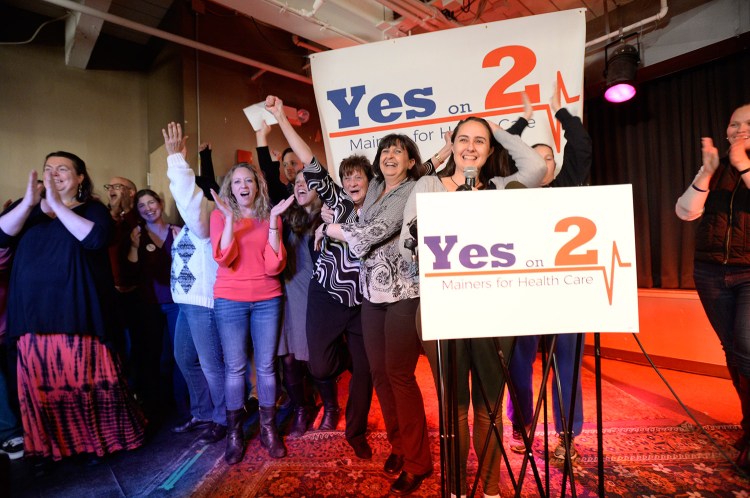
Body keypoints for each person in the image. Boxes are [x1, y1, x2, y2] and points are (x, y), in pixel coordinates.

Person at [400, 116, 546, 498]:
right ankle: (456, 489)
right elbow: (406, 244)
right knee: (454, 408)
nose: (470, 147)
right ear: (451, 142)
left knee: (489, 407)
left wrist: (495, 130)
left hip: (491, 312)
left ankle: (491, 490)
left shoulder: (500, 188)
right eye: (463, 139)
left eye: (479, 142)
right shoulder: (428, 185)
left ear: (490, 150)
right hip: (440, 308)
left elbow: (537, 167)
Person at [0, 151, 146, 461]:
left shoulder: (93, 209)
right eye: (48, 168)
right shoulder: (25, 209)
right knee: (43, 389)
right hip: (32, 316)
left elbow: (95, 239)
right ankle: (53, 448)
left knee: (84, 384)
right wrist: (28, 204)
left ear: (80, 178)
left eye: (63, 169)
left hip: (77, 313)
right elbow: (1, 236)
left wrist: (57, 206)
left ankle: (94, 443)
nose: (54, 173)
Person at [315, 132, 433, 496]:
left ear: (410, 161)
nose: (390, 154)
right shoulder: (375, 188)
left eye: (399, 150)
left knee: (399, 376)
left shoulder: (410, 190)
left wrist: (329, 228)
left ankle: (418, 462)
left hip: (403, 294)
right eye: (385, 150)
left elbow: (368, 236)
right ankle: (399, 445)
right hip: (371, 295)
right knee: (380, 374)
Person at [505, 88, 593, 462]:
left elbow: (583, 147)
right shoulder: (512, 192)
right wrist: (522, 121)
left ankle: (567, 435)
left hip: (565, 294)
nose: (541, 164)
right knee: (518, 363)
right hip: (523, 294)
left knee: (567, 364)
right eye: (533, 159)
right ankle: (521, 426)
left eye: (548, 159)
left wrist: (561, 113)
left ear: (556, 167)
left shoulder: (566, 185)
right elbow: (500, 148)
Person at [676, 103, 750, 472]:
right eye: (734, 124)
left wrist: (744, 165)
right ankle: (747, 422)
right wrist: (705, 174)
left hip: (749, 271)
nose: (740, 129)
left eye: (748, 125)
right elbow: (685, 212)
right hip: (709, 272)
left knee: (748, 346)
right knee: (733, 350)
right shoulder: (714, 168)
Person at [210, 162, 290, 463]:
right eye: (237, 181)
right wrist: (230, 220)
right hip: (230, 299)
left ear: (257, 186)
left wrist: (272, 223)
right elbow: (223, 258)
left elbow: (274, 266)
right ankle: (234, 434)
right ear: (230, 187)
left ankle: (268, 430)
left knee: (267, 367)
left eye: (249, 181)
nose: (243, 186)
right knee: (235, 369)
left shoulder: (271, 217)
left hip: (268, 299)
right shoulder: (219, 216)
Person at [163, 123, 227, 444]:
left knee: (212, 365)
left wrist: (176, 161)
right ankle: (202, 411)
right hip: (185, 303)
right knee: (185, 359)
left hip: (205, 303)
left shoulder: (209, 215)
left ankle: (224, 418)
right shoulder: (187, 227)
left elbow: (191, 204)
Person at [126, 189, 186, 427]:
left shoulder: (176, 231)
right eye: (142, 206)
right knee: (156, 358)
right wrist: (133, 246)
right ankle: (159, 408)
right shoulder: (137, 234)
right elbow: (130, 273)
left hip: (176, 304)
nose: (148, 208)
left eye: (151, 202)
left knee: (179, 356)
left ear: (160, 203)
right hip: (149, 306)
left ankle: (183, 407)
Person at [275, 171, 322, 438]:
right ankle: (301, 407)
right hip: (285, 294)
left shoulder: (327, 215)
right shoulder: (287, 216)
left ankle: (323, 404)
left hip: (310, 296)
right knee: (288, 357)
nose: (301, 186)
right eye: (297, 183)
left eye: (308, 182)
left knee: (309, 357)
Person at [105, 176, 139, 382]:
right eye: (109, 186)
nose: (111, 189)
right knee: (115, 347)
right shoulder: (103, 218)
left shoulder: (137, 216)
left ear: (130, 192)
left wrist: (125, 212)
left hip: (137, 294)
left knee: (137, 346)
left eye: (117, 186)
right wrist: (114, 214)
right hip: (109, 294)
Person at [256, 122, 303, 205]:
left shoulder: (315, 188)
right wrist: (261, 136)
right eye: (285, 165)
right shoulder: (283, 191)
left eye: (293, 163)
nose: (288, 168)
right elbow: (270, 177)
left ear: (303, 164)